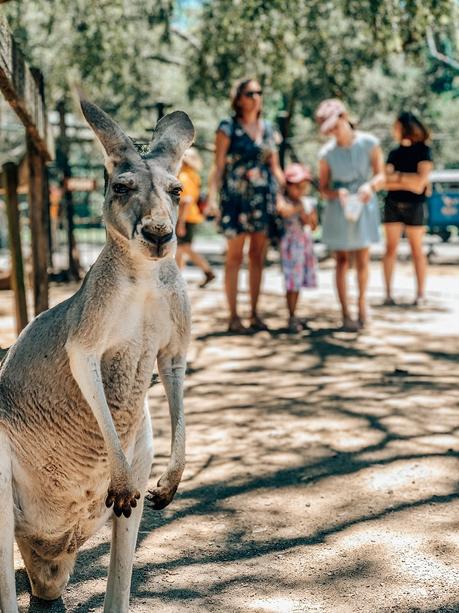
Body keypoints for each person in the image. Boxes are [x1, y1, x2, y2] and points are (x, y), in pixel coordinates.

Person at [207, 77, 284, 333]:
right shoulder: (227, 127)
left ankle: (254, 313)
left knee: (258, 257)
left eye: (259, 93)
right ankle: (233, 316)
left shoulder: (270, 129)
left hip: (263, 199)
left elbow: (275, 168)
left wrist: (288, 194)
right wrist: (212, 197)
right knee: (234, 257)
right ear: (238, 98)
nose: (256, 97)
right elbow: (218, 166)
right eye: (250, 93)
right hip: (235, 199)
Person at [316, 99, 385, 330]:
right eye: (330, 130)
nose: (334, 132)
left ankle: (362, 305)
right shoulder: (326, 153)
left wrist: (369, 187)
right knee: (342, 261)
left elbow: (380, 175)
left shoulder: (369, 143)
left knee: (363, 258)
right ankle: (345, 312)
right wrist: (338, 193)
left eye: (336, 126)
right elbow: (323, 189)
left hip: (364, 204)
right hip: (340, 208)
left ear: (344, 118)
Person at [382, 112, 433, 306]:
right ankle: (388, 294)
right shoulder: (394, 153)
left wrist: (398, 177)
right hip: (393, 204)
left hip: (416, 206)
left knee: (417, 250)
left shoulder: (424, 151)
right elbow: (385, 182)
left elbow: (420, 184)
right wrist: (408, 180)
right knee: (390, 249)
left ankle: (420, 294)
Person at [277, 163, 318, 333]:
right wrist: (300, 208)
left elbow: (313, 225)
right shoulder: (285, 201)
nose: (301, 190)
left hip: (303, 246)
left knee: (298, 282)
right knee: (292, 282)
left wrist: (309, 216)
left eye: (304, 186)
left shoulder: (307, 203)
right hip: (290, 246)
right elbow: (284, 211)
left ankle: (294, 314)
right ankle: (292, 316)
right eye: (297, 186)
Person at [176, 147, 215, 288]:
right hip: (192, 216)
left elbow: (185, 201)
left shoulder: (183, 177)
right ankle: (177, 278)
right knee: (180, 249)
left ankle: (208, 271)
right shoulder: (194, 175)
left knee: (184, 247)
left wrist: (180, 223)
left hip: (184, 217)